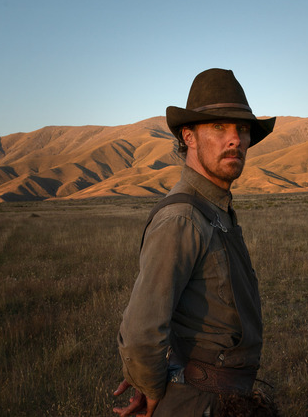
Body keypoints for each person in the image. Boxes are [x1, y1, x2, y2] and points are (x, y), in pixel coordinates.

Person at [114, 68, 276, 417]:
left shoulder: (215, 209)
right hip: (198, 404)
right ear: (188, 136)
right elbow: (141, 331)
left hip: (223, 400)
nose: (234, 139)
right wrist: (154, 388)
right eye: (219, 126)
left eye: (242, 129)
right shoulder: (182, 218)